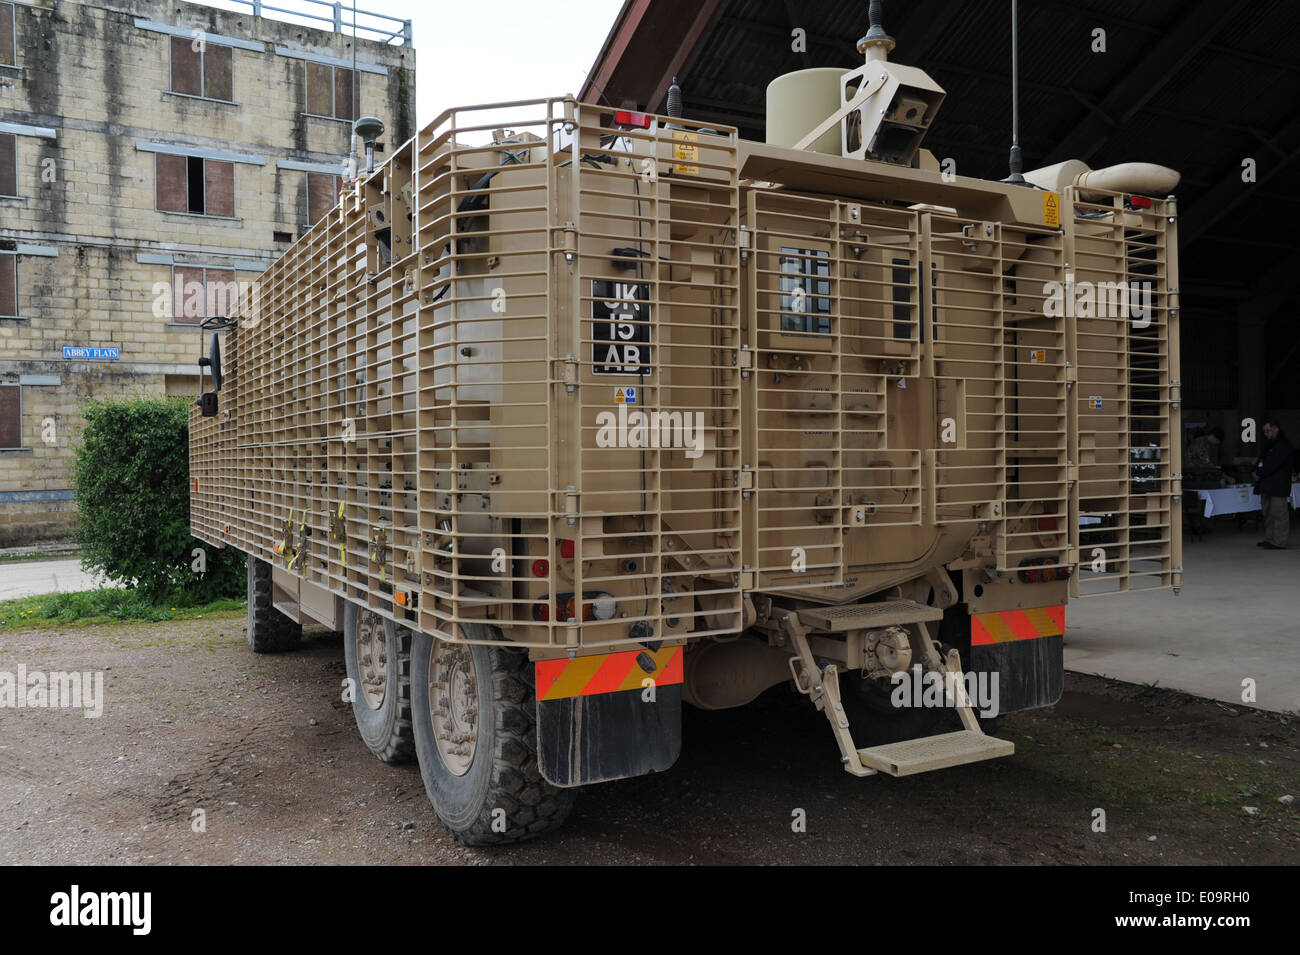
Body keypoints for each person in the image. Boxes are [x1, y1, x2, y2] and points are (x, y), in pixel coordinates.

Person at [1252, 417, 1293, 550]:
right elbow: (1262, 461)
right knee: (1267, 514)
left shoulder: (1284, 445)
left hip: (1278, 486)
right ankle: (1270, 538)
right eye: (1264, 431)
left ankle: (1279, 542)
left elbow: (1274, 464)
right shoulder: (1268, 445)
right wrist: (1255, 471)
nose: (1266, 434)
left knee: (1279, 514)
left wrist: (1259, 473)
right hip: (1266, 485)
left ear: (1276, 429)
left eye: (1268, 431)